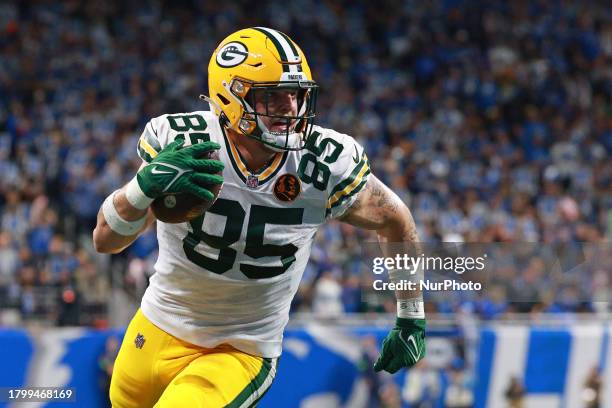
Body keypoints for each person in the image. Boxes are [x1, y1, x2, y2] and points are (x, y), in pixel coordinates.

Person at [93, 27, 426, 407]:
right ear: (231, 96)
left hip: (241, 348)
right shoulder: (184, 143)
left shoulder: (324, 164)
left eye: (296, 95)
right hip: (158, 325)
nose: (291, 108)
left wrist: (411, 315)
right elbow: (105, 240)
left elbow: (396, 220)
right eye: (273, 96)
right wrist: (142, 187)